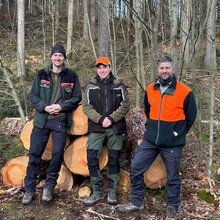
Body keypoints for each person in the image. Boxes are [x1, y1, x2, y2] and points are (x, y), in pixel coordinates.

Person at [117, 56, 197, 220]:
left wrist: (177, 132)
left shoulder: (185, 91)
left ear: (173, 69)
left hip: (173, 144)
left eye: (167, 68)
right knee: (136, 168)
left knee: (173, 177)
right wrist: (153, 129)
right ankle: (137, 202)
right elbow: (148, 111)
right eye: (162, 68)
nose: (164, 71)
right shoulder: (150, 89)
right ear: (158, 70)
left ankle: (172, 208)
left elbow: (191, 116)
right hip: (151, 140)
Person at [22, 44, 82, 205]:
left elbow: (76, 97)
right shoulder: (42, 74)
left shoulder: (71, 76)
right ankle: (29, 189)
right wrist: (44, 106)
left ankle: (49, 187)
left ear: (64, 58)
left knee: (57, 154)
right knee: (35, 154)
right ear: (51, 57)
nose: (58, 58)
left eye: (60, 55)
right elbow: (33, 95)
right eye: (55, 55)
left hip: (60, 120)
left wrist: (61, 106)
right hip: (42, 119)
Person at [82, 57, 130, 206]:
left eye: (105, 67)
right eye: (99, 67)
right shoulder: (90, 86)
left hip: (115, 128)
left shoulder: (119, 85)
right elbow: (86, 107)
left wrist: (111, 118)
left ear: (110, 67)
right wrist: (101, 119)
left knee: (114, 160)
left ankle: (112, 192)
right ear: (97, 69)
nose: (102, 70)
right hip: (97, 127)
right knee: (91, 158)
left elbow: (125, 106)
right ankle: (97, 192)